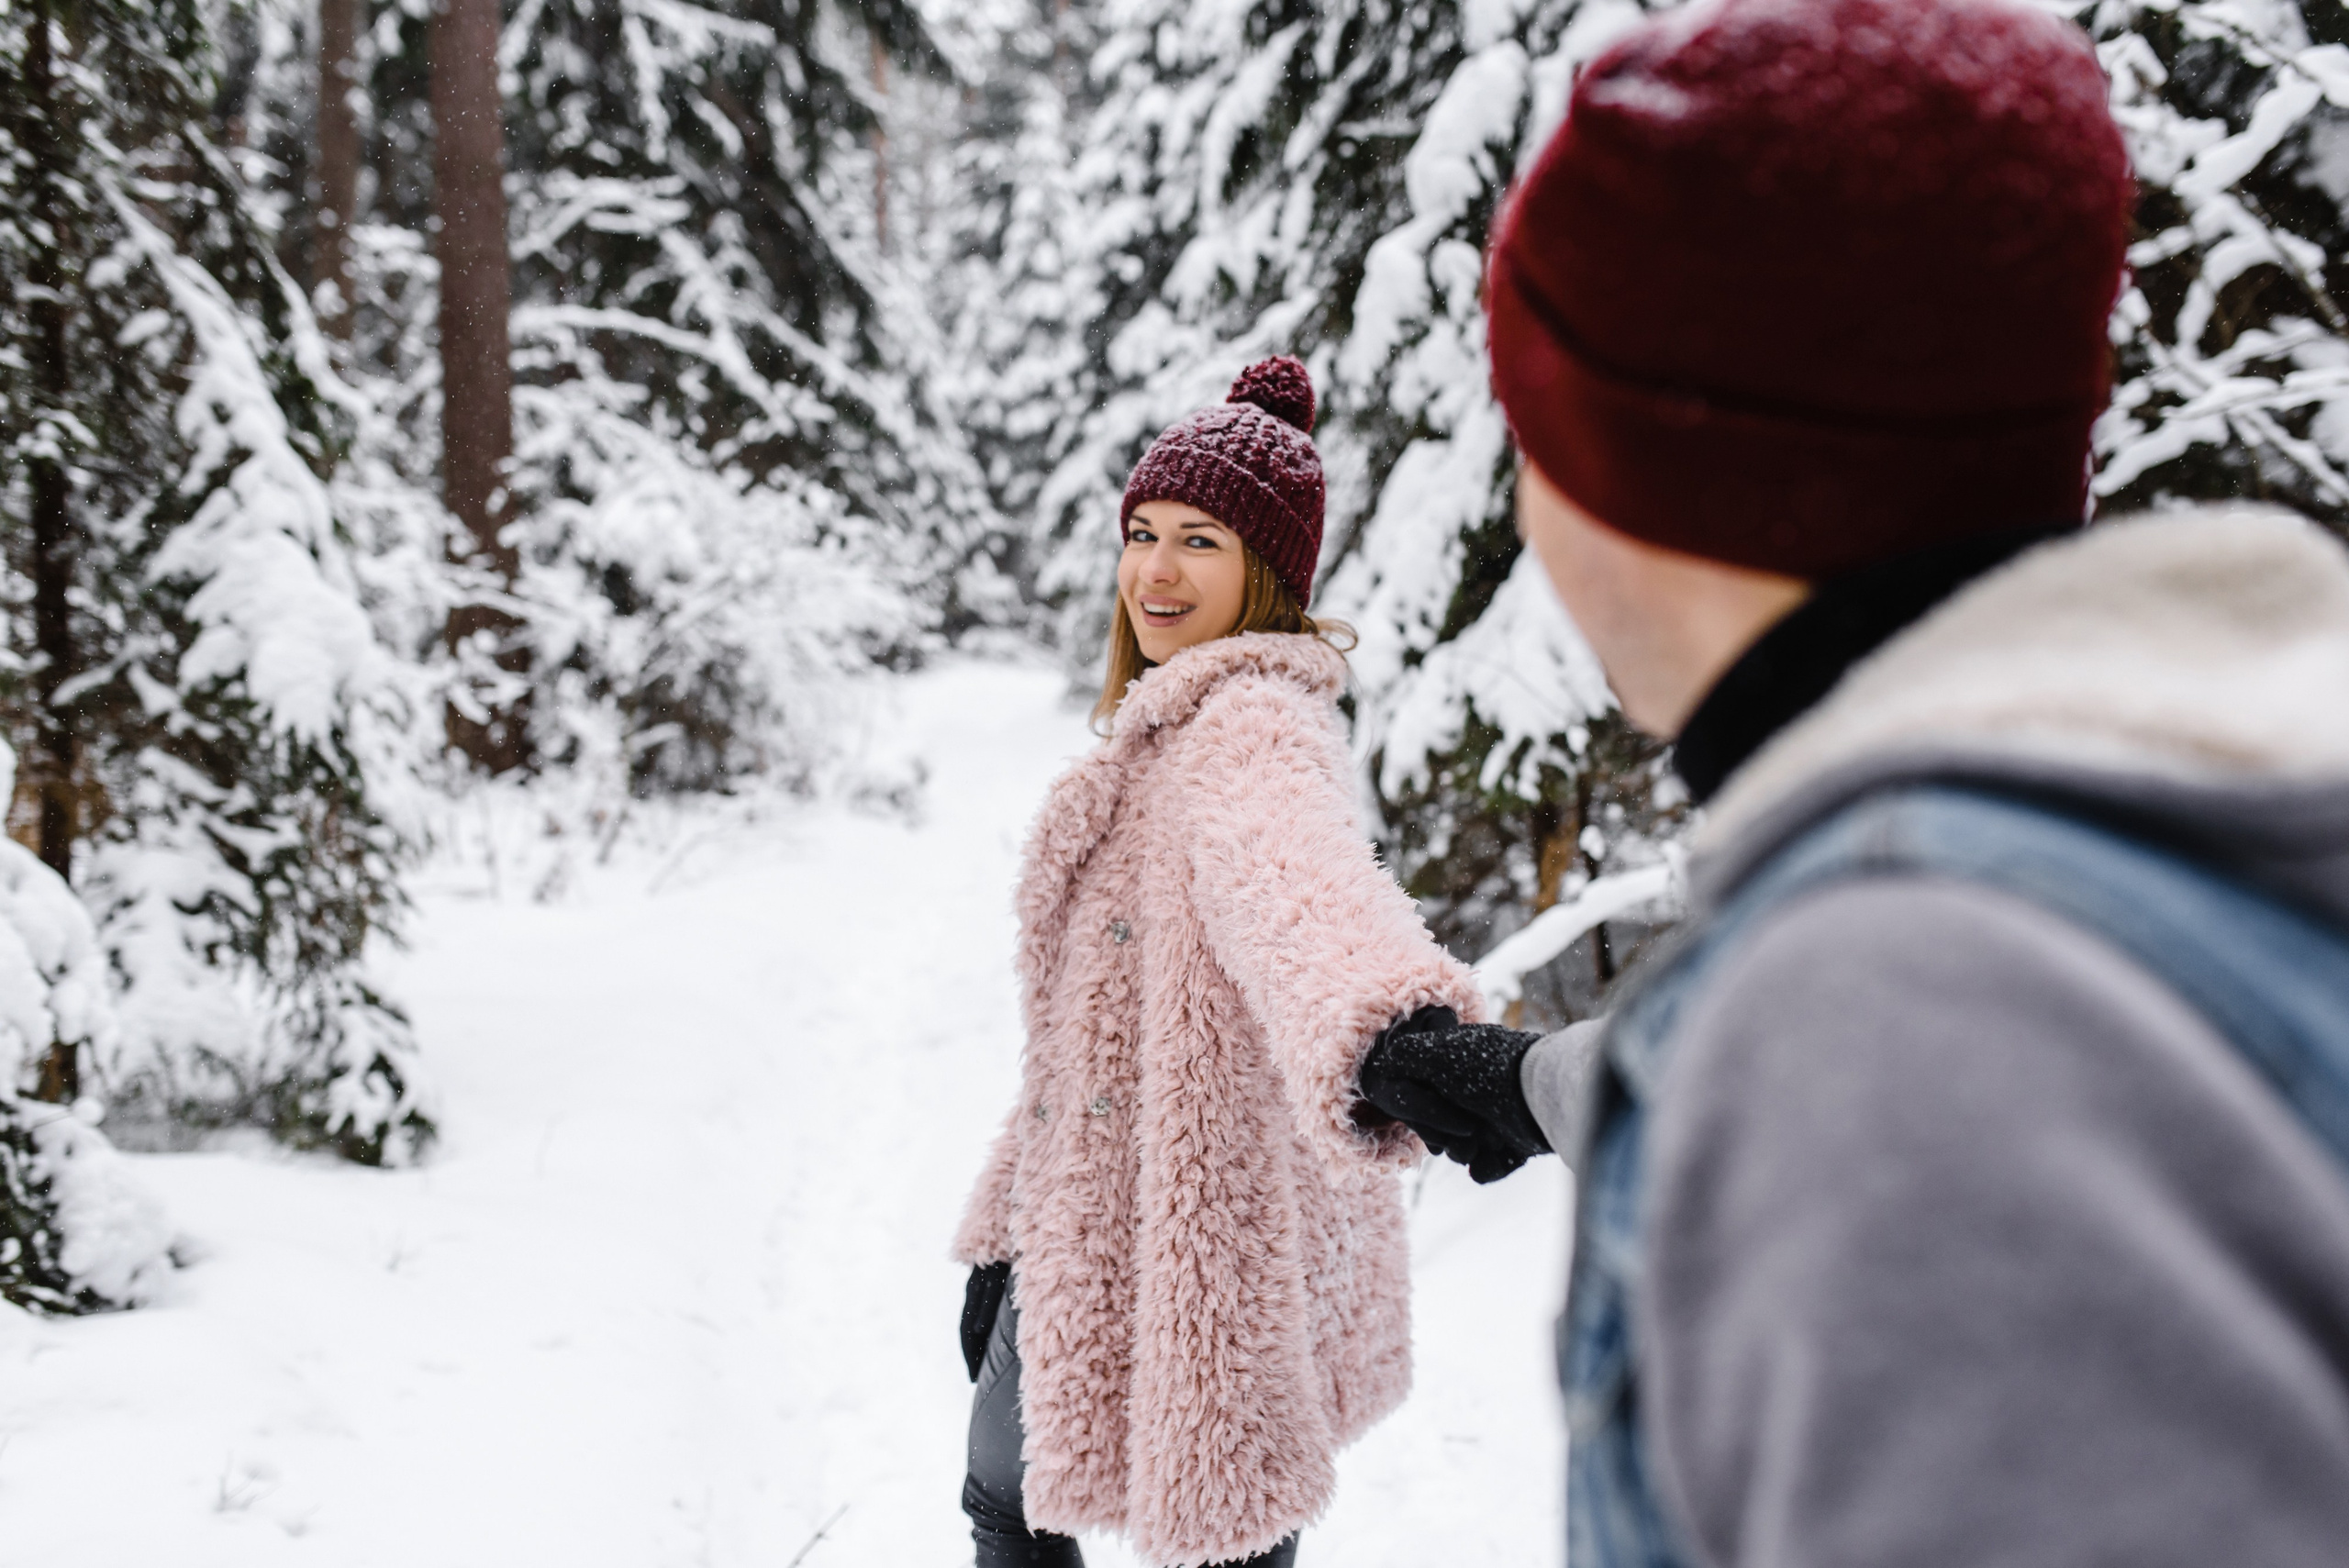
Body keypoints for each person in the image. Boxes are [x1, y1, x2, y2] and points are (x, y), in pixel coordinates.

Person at [1354, 0, 2349, 1562]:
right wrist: (1536, 1084)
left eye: (1535, 434)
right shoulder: (2206, 811)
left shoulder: (1895, 1036)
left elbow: (1920, 1099)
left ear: (1634, 482)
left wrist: (1791, 1051)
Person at [952, 357, 1484, 1568]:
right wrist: (1005, 1230)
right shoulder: (1159, 739)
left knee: (1208, 1536)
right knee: (1015, 1504)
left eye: (1200, 541)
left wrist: (1395, 1035)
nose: (1156, 569)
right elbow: (1086, 1039)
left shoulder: (1248, 723)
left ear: (1268, 575)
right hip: (1093, 1221)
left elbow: (1301, 897)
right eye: (1143, 533)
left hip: (1212, 1244)